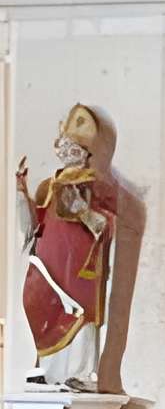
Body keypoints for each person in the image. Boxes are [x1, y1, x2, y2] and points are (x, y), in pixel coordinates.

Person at [16, 103, 115, 391]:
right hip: (51, 263)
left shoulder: (97, 185)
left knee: (79, 313)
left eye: (76, 147)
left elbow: (107, 227)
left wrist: (84, 212)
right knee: (45, 306)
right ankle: (49, 371)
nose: (69, 151)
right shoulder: (49, 185)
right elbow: (32, 227)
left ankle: (80, 373)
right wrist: (21, 194)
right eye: (65, 145)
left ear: (86, 153)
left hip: (81, 264)